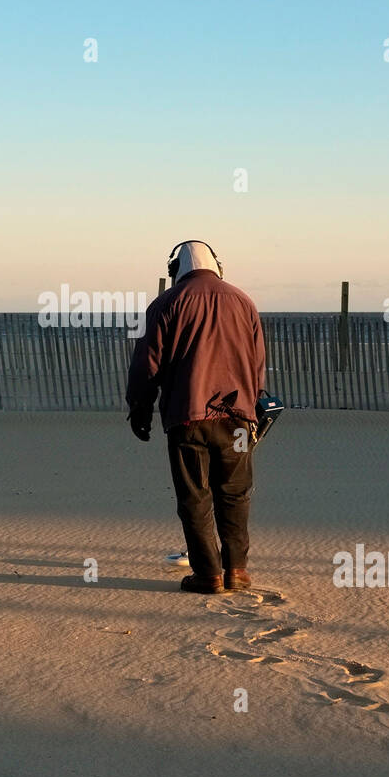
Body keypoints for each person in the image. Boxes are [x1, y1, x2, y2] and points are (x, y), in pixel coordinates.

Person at [126, 240, 266, 593]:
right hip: (237, 419)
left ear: (176, 270)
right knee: (235, 495)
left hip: (188, 418)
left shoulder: (166, 304)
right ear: (217, 265)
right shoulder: (243, 301)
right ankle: (236, 570)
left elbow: (147, 364)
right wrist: (254, 406)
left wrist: (139, 409)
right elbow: (257, 362)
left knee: (194, 497)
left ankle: (209, 575)